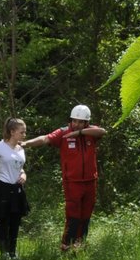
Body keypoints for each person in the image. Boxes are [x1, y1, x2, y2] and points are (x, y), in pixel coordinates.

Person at [23, 104, 107, 251]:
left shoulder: (91, 132)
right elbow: (45, 139)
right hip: (72, 182)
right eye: (74, 121)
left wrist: (79, 133)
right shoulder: (63, 132)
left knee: (86, 213)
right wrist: (26, 143)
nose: (77, 124)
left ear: (86, 122)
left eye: (81, 122)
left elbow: (103, 131)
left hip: (90, 181)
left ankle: (79, 244)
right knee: (73, 214)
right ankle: (66, 245)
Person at [0, 118, 31, 260]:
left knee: (15, 221)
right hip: (3, 188)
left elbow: (19, 166)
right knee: (3, 220)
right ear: (12, 132)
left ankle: (12, 252)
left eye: (25, 132)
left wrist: (24, 174)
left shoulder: (20, 148)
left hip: (17, 189)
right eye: (22, 132)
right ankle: (4, 253)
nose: (24, 135)